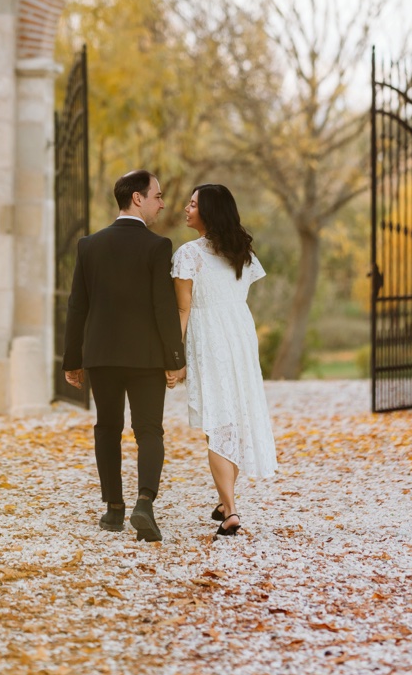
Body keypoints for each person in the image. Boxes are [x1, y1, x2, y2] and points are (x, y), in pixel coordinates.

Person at [62, 169, 186, 542]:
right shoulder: (157, 246)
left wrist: (72, 359)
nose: (161, 203)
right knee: (149, 431)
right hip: (146, 357)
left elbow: (76, 307)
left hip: (101, 355)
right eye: (157, 196)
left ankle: (113, 509)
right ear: (137, 198)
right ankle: (144, 503)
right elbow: (164, 308)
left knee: (107, 429)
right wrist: (175, 358)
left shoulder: (89, 245)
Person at [172, 183, 277, 538]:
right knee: (231, 416)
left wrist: (174, 354)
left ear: (209, 211)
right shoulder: (242, 252)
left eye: (193, 204)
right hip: (240, 334)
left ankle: (230, 509)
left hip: (210, 335)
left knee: (218, 421)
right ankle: (224, 502)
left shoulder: (188, 254)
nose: (186, 208)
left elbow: (183, 308)